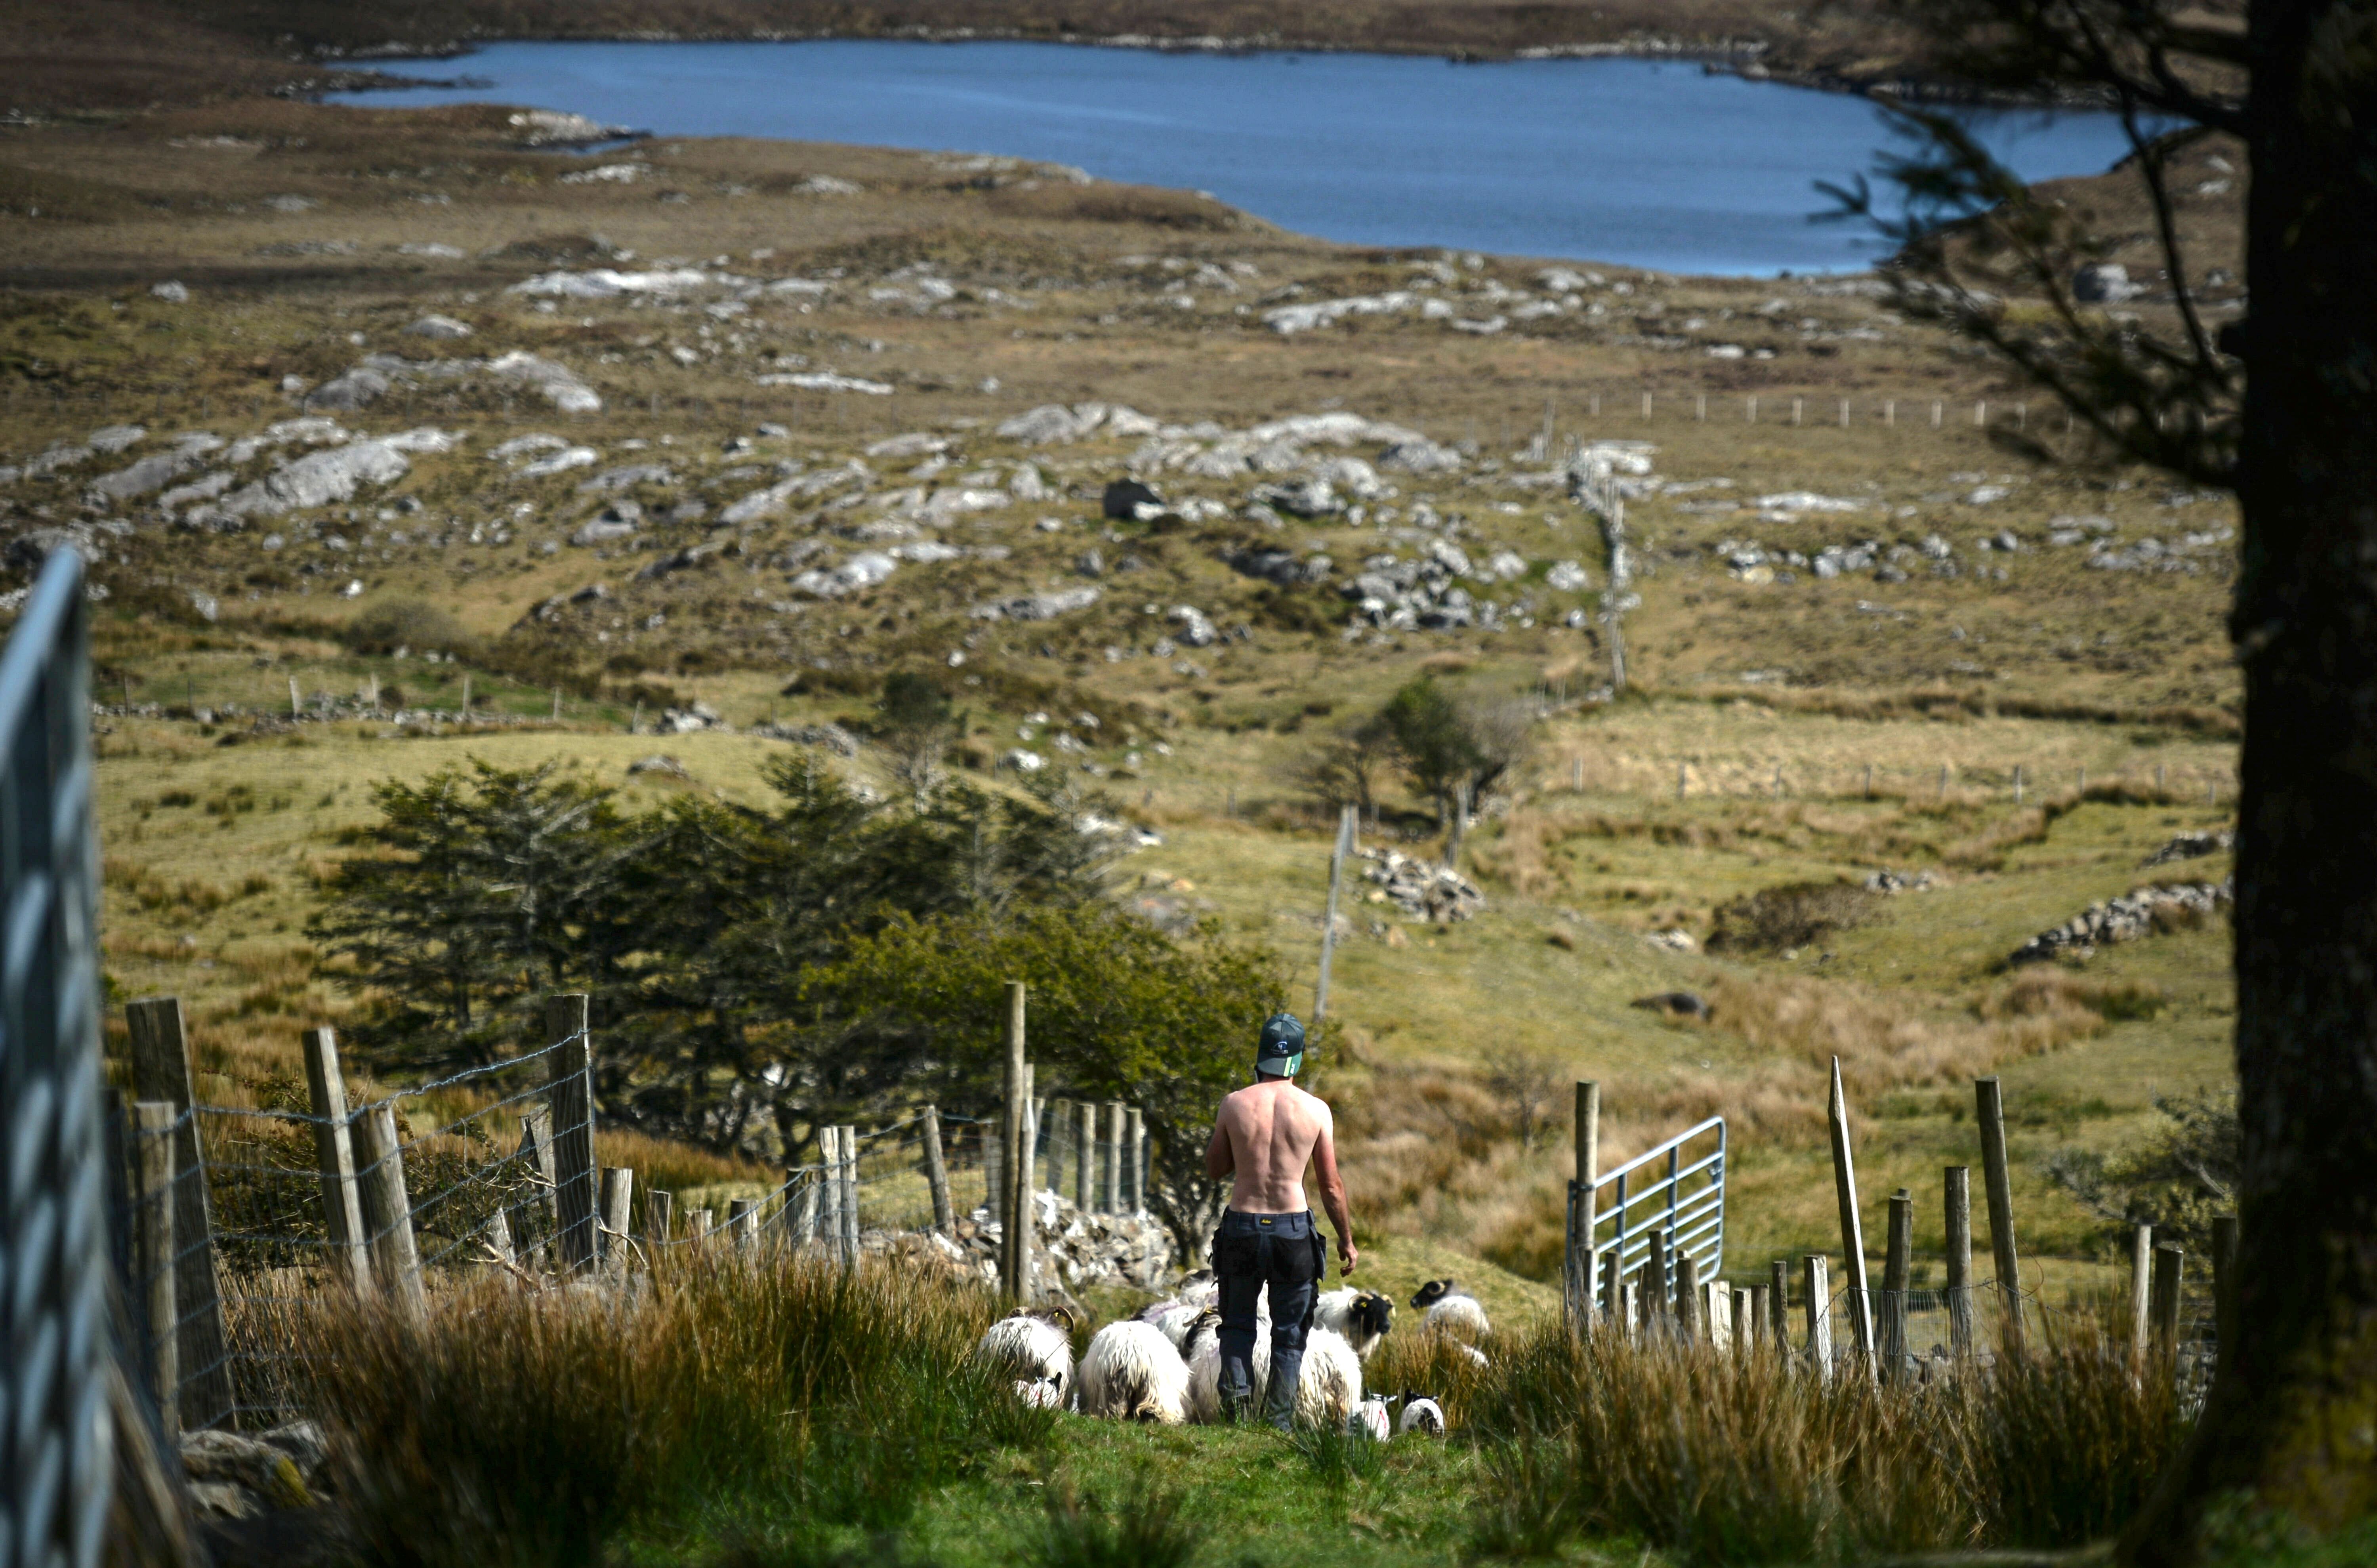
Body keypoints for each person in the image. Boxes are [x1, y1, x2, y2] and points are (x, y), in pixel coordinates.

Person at [1202, 1011, 1357, 1429]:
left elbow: (1216, 1168)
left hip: (1243, 1226)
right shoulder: (1317, 1110)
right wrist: (1346, 1240)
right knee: (1289, 1334)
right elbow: (1332, 1186)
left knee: (1237, 1325)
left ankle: (1235, 1415)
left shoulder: (1234, 1103)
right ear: (1298, 1060)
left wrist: (1241, 1142)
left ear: (1261, 1055)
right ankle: (1279, 1424)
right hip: (1292, 1230)